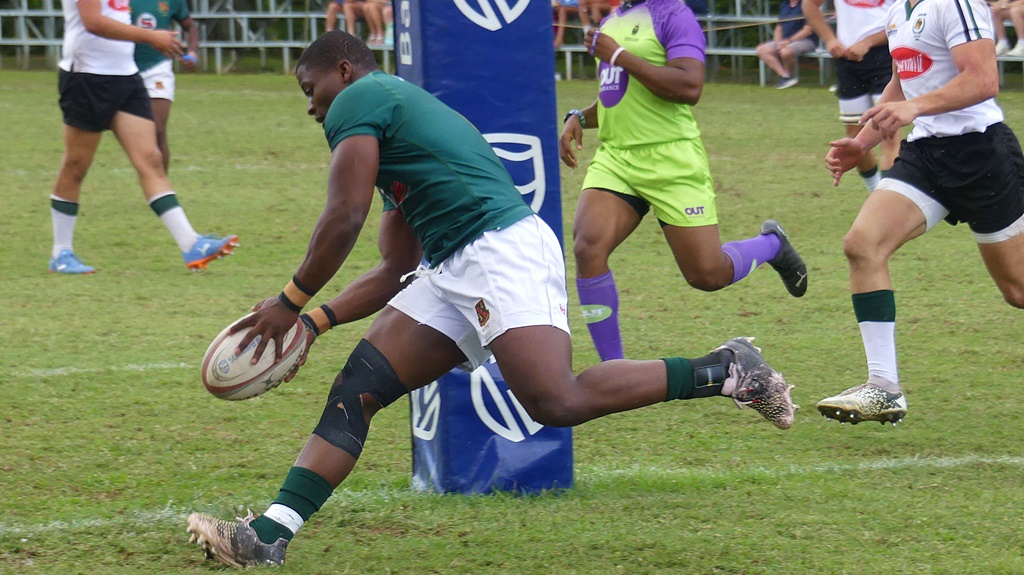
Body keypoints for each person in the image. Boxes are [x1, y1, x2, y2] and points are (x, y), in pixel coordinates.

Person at [184, 30, 797, 568]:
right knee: (357, 389)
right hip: (456, 265)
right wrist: (315, 322)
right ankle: (267, 537)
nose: (311, 107)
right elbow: (395, 266)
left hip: (499, 250)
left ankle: (728, 368)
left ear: (344, 71)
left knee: (555, 400)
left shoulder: (363, 98)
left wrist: (289, 301)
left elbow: (342, 216)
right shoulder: (395, 132)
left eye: (309, 87)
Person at [559, 0, 809, 364]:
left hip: (670, 158)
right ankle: (614, 369)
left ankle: (772, 245)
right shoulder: (614, 20)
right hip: (617, 158)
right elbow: (623, 97)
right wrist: (580, 115)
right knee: (587, 248)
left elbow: (690, 86)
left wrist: (620, 55)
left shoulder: (672, 14)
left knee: (707, 274)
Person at [815, 0, 1024, 425]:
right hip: (926, 153)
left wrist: (915, 108)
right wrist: (862, 142)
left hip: (982, 153)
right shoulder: (897, 10)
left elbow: (983, 80)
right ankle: (883, 388)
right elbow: (901, 84)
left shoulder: (955, 3)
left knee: (1017, 290)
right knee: (862, 244)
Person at [52, 0, 237, 274]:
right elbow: (93, 22)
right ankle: (61, 252)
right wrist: (150, 36)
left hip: (125, 75)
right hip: (87, 77)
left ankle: (191, 244)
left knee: (150, 158)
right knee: (76, 164)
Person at [802, 0, 901, 192]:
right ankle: (875, 193)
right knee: (854, 140)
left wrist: (868, 41)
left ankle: (888, 203)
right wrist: (830, 39)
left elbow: (905, 17)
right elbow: (809, 4)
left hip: (885, 56)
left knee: (889, 135)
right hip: (848, 61)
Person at [131, 0, 199, 173]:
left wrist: (191, 52)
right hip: (124, 67)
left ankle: (161, 188)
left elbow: (190, 27)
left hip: (157, 68)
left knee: (158, 129)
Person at [755, 0, 818, 89]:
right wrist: (778, 43)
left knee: (786, 51)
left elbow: (807, 30)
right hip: (784, 40)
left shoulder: (806, 4)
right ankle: (785, 77)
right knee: (761, 50)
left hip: (805, 40)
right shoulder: (784, 4)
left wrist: (789, 41)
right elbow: (779, 28)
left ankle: (788, 76)